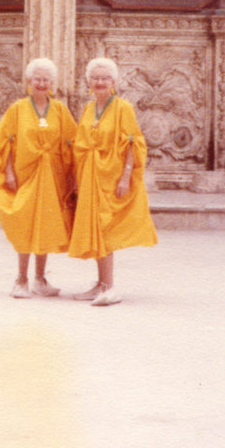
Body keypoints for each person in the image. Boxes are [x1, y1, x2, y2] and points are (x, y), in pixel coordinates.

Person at [68, 56, 157, 306]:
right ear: (89, 81)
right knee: (96, 228)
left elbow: (133, 142)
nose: (99, 82)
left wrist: (126, 176)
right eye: (95, 77)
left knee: (105, 228)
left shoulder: (122, 108)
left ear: (113, 82)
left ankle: (109, 287)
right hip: (90, 176)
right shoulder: (88, 108)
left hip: (112, 176)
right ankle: (100, 284)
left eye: (105, 78)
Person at [0, 57, 77, 298]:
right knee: (25, 223)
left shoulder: (59, 109)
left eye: (47, 79)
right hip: (25, 174)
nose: (42, 83)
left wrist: (73, 172)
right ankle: (21, 279)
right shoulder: (17, 109)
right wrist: (7, 171)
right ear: (29, 81)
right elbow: (2, 140)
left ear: (52, 83)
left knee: (44, 224)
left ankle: (40, 279)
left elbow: (73, 140)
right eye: (37, 78)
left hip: (53, 176)